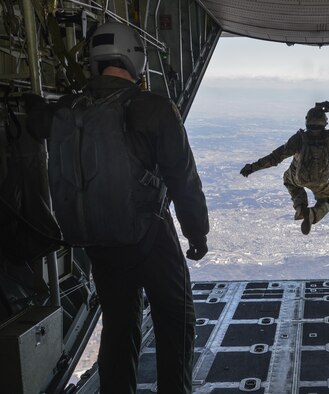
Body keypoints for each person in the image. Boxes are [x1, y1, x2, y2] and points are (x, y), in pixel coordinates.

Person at [27, 22, 209, 394]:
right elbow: (183, 180)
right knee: (176, 322)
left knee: (118, 326)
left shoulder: (67, 109)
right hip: (150, 237)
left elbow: (37, 122)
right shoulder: (153, 109)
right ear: (135, 58)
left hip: (97, 242)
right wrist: (197, 234)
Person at [240, 101, 329, 234]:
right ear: (325, 122)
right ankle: (313, 214)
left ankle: (300, 207)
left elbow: (275, 158)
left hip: (300, 178)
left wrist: (252, 167)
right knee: (327, 200)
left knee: (288, 180)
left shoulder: (299, 139)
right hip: (321, 180)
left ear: (307, 121)